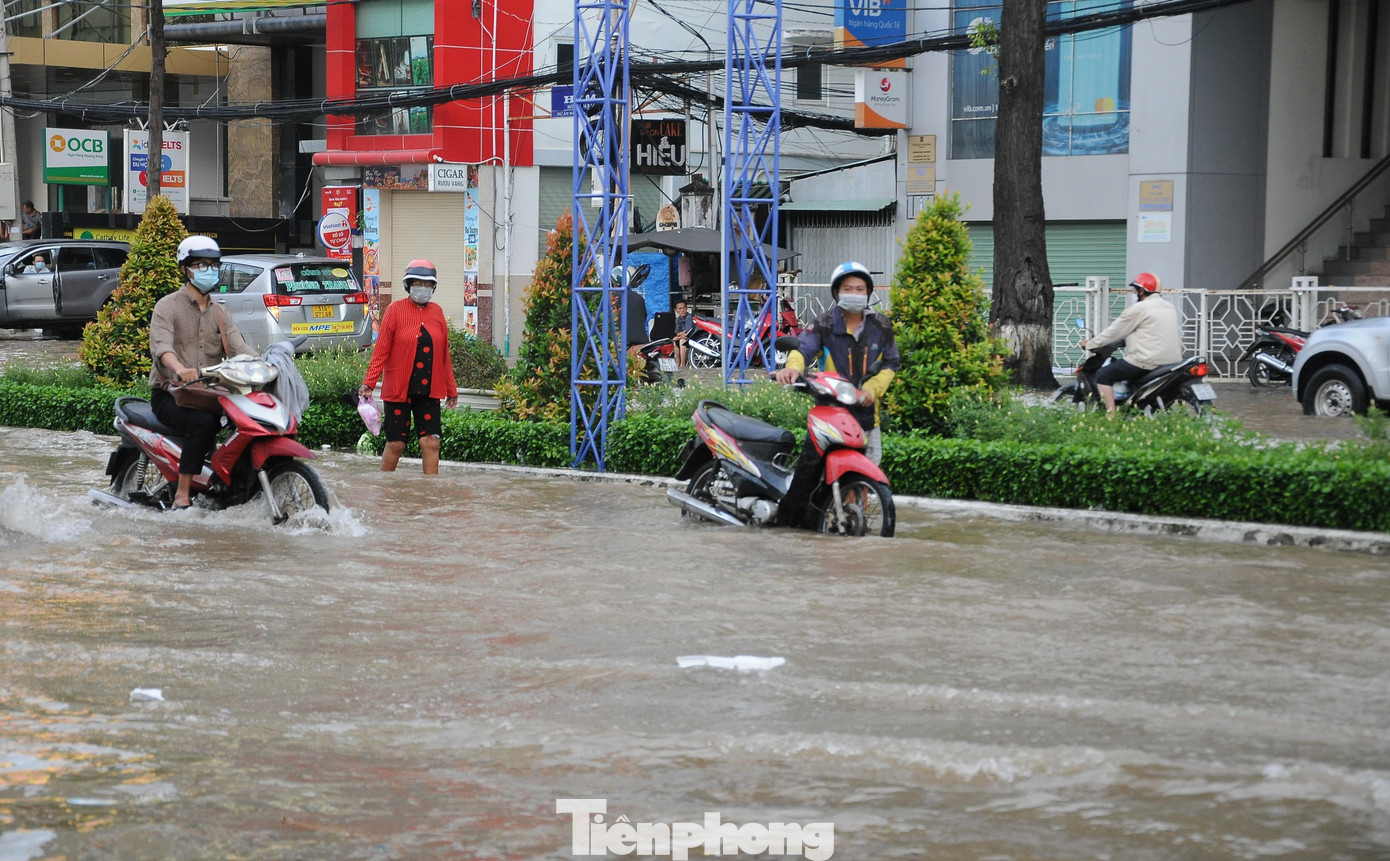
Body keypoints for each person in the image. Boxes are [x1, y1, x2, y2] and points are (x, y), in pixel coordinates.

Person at [148, 235, 252, 511]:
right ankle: (182, 493)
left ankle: (228, 486)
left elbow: (240, 348)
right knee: (204, 423)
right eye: (201, 265)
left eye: (213, 265)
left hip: (209, 395)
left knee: (247, 423)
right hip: (171, 394)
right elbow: (162, 347)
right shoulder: (167, 306)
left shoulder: (220, 313)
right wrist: (180, 369)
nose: (209, 271)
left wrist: (268, 363)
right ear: (185, 269)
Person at [774, 261, 899, 465]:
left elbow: (891, 362)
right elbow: (802, 349)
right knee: (819, 473)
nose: (854, 294)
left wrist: (872, 388)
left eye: (860, 289)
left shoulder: (881, 325)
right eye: (847, 289)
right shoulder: (824, 323)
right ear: (836, 292)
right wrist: (793, 369)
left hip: (868, 416)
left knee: (865, 478)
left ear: (868, 292)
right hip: (831, 416)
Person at [358, 259, 459, 474]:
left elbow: (444, 356)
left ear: (433, 287)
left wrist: (451, 389)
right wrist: (369, 382)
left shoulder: (437, 312)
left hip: (429, 390)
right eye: (417, 283)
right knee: (396, 444)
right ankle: (385, 492)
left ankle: (430, 494)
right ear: (408, 285)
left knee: (431, 442)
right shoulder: (395, 310)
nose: (422, 288)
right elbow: (381, 351)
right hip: (398, 390)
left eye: (427, 284)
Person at [1081, 271, 1183, 416]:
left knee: (1103, 375)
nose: (1134, 293)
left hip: (1146, 361)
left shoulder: (1138, 308)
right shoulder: (1169, 307)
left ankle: (1111, 416)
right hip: (1172, 362)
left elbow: (1113, 332)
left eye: (1135, 290)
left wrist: (1091, 344)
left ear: (1142, 291)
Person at [672, 298, 694, 367]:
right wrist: (680, 334)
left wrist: (680, 335)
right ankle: (677, 362)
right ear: (676, 310)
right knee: (674, 340)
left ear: (687, 308)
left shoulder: (689, 317)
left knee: (682, 341)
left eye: (684, 308)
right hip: (684, 337)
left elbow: (687, 332)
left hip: (691, 338)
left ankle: (683, 364)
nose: (682, 310)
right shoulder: (679, 319)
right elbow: (677, 332)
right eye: (680, 308)